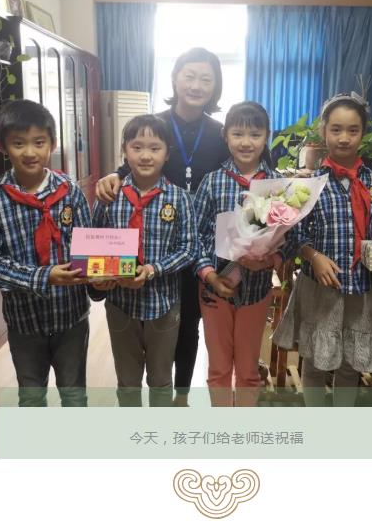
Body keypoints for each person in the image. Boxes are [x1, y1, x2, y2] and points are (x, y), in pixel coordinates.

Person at [95, 48, 229, 405]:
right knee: (149, 324)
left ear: (216, 85)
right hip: (156, 238)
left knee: (188, 324)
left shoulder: (220, 133)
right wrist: (111, 176)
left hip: (199, 243)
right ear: (174, 78)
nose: (196, 85)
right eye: (189, 75)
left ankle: (179, 396)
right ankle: (150, 390)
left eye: (206, 79)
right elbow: (131, 162)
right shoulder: (155, 123)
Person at [273, 94, 372, 407]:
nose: (344, 138)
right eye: (336, 129)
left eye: (353, 130)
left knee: (351, 364)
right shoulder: (307, 184)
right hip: (320, 287)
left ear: (363, 133)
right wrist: (312, 256)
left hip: (363, 288)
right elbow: (293, 234)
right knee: (315, 361)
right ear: (324, 131)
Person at [0, 99, 91, 407]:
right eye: (18, 143)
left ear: (53, 143)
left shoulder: (70, 190)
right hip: (24, 322)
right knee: (31, 397)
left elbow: (88, 247)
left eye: (39, 142)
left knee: (74, 395)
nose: (30, 152)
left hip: (71, 316)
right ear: (2, 146)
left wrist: (103, 277)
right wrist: (43, 276)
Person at [90, 114, 198, 407]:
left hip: (163, 305)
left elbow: (189, 248)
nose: (146, 155)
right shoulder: (109, 197)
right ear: (124, 151)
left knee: (161, 380)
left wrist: (152, 269)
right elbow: (93, 243)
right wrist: (98, 274)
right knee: (127, 381)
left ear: (167, 154)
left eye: (155, 148)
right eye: (137, 147)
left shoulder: (179, 198)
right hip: (120, 305)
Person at [194, 101, 290, 407]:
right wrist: (209, 274)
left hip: (257, 290)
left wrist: (271, 260)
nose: (246, 142)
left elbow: (290, 237)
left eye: (255, 134)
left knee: (248, 370)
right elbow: (195, 235)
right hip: (214, 289)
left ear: (266, 136)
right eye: (238, 134)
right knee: (219, 368)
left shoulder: (278, 185)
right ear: (225, 136)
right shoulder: (212, 182)